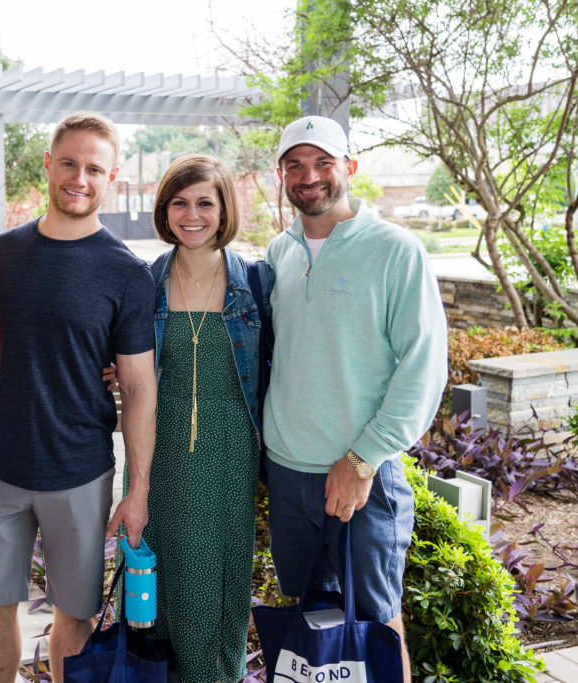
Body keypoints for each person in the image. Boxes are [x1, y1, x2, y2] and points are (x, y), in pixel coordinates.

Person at [0, 112, 157, 681]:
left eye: (94, 168)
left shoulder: (127, 274)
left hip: (80, 470)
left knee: (75, 615)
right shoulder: (2, 254)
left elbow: (141, 388)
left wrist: (137, 490)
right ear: (49, 165)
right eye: (69, 163)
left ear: (112, 177)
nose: (79, 177)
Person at [262, 115, 448, 683]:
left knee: (378, 624)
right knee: (313, 625)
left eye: (323, 163)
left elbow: (424, 365)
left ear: (350, 167)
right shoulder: (279, 253)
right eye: (296, 165)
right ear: (282, 175)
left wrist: (363, 459)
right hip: (288, 474)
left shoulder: (396, 250)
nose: (309, 176)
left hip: (360, 475)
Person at [136, 154, 273, 682]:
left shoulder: (257, 284)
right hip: (161, 452)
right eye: (179, 203)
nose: (191, 215)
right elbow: (127, 369)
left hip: (231, 455)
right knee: (163, 585)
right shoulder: (143, 284)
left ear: (223, 210)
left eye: (204, 204)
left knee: (223, 584)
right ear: (164, 210)